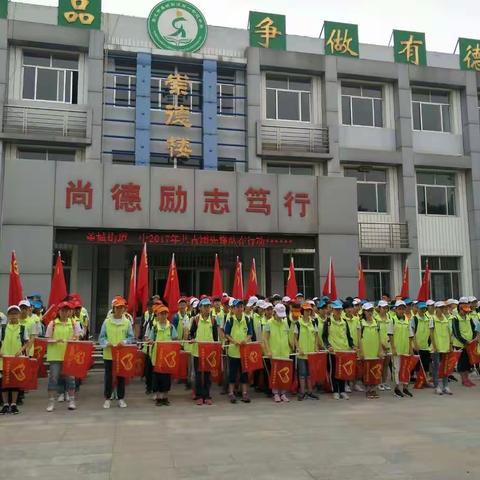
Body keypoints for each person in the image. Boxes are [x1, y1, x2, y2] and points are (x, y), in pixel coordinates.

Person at [45, 301, 82, 412]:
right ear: (59, 312)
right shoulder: (53, 323)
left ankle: (71, 400)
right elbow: (47, 339)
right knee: (53, 379)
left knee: (70, 379)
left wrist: (75, 338)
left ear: (70, 312)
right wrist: (56, 340)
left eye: (67, 310)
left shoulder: (74, 323)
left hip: (69, 355)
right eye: (63, 310)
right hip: (55, 356)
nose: (65, 313)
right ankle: (51, 402)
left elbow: (79, 336)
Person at [99, 296, 134, 409]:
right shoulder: (107, 322)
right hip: (109, 354)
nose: (119, 309)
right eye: (117, 307)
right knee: (108, 377)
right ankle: (107, 398)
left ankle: (121, 398)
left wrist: (124, 342)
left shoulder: (127, 322)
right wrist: (106, 343)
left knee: (121, 377)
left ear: (124, 309)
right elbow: (101, 337)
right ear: (113, 308)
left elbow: (131, 337)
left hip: (122, 354)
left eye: (121, 307)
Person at [0, 305, 31, 415]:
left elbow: (27, 342)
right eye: (11, 314)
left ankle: (13, 404)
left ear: (18, 315)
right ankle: (5, 404)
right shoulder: (2, 328)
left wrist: (21, 350)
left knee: (14, 382)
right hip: (4, 360)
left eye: (15, 314)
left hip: (17, 360)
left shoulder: (22, 328)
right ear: (8, 315)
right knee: (4, 382)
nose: (13, 316)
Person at [189, 298, 219, 405]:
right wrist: (191, 338)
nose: (207, 308)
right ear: (200, 308)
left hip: (209, 353)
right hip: (197, 351)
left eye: (208, 306)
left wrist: (216, 349)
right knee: (198, 375)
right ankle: (199, 395)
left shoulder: (213, 320)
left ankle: (207, 395)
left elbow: (216, 337)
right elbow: (191, 334)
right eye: (205, 306)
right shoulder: (196, 319)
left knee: (207, 374)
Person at [322, 300, 354, 400]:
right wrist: (328, 346)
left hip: (344, 351)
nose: (338, 311)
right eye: (336, 310)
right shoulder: (328, 322)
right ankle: (335, 391)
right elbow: (324, 336)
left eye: (340, 309)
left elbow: (348, 336)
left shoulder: (344, 322)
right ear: (332, 310)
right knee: (334, 372)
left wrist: (352, 346)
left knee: (343, 372)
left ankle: (342, 390)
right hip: (334, 351)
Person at [224, 300, 253, 403]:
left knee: (244, 373)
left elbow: (250, 333)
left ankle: (244, 393)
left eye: (241, 306)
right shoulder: (230, 320)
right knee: (232, 373)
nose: (240, 309)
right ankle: (231, 393)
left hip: (244, 351)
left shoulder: (248, 319)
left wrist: (246, 340)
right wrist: (234, 341)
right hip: (233, 351)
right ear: (233, 308)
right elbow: (226, 334)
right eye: (237, 307)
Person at [263, 303, 293, 402]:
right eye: (278, 315)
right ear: (274, 312)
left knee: (284, 373)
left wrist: (291, 346)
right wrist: (268, 351)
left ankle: (283, 393)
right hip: (274, 352)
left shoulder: (285, 323)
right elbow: (265, 339)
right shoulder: (268, 323)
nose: (280, 317)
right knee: (275, 373)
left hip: (284, 352)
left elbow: (288, 336)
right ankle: (275, 393)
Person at [148, 304, 178, 406]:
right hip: (157, 356)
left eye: (165, 313)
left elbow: (175, 339)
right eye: (161, 314)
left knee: (166, 377)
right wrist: (150, 341)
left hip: (168, 357)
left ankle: (165, 397)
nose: (163, 316)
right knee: (157, 378)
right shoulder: (155, 327)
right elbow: (150, 339)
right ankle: (158, 398)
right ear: (158, 315)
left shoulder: (171, 327)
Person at [388, 300, 414, 398]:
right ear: (396, 310)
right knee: (397, 369)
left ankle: (405, 388)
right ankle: (397, 388)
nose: (401, 311)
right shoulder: (392, 320)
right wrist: (393, 348)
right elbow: (390, 335)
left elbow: (410, 335)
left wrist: (411, 348)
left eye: (403, 309)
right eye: (399, 309)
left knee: (406, 368)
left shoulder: (407, 320)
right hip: (397, 349)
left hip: (406, 348)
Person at [294, 303, 320, 401]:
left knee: (309, 373)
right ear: (302, 311)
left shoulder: (313, 322)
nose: (307, 312)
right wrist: (298, 348)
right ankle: (302, 392)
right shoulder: (298, 323)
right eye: (305, 310)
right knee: (302, 372)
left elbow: (316, 336)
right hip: (302, 353)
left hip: (311, 353)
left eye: (309, 310)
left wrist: (316, 346)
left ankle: (310, 392)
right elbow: (295, 338)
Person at [358, 303, 383, 399]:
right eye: (368, 311)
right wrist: (361, 351)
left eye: (371, 310)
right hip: (366, 351)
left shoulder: (376, 322)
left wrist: (380, 350)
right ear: (364, 312)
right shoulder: (360, 323)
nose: (370, 313)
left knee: (375, 370)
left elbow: (379, 337)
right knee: (366, 371)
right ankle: (368, 390)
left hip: (375, 350)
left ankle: (373, 389)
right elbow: (359, 338)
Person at [452, 297, 478, 387]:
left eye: (467, 310)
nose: (466, 312)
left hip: (470, 344)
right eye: (464, 310)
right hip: (460, 344)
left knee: (468, 362)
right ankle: (464, 379)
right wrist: (465, 341)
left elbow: (474, 329)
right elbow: (456, 333)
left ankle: (467, 379)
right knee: (462, 363)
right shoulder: (455, 318)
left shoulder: (469, 317)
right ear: (460, 308)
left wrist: (473, 339)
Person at [431, 301, 453, 395]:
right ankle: (437, 386)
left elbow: (449, 332)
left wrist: (450, 345)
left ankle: (445, 386)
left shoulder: (446, 319)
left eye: (444, 308)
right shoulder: (432, 319)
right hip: (436, 347)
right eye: (441, 308)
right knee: (436, 367)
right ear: (436, 309)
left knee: (445, 367)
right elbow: (431, 333)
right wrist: (434, 345)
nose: (443, 309)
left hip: (446, 346)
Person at [411, 302, 434, 388]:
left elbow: (431, 332)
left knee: (426, 365)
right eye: (421, 308)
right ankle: (419, 381)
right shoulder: (414, 319)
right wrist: (415, 344)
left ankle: (426, 381)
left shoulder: (428, 318)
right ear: (417, 308)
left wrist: (431, 344)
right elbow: (412, 332)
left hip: (426, 346)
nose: (423, 310)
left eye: (424, 308)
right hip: (417, 346)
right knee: (418, 366)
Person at [374, 300, 392, 391]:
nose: (385, 309)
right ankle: (378, 382)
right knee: (379, 365)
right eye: (383, 308)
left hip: (388, 345)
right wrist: (381, 345)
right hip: (379, 345)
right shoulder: (376, 319)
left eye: (386, 308)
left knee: (386, 365)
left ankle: (384, 382)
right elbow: (376, 334)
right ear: (379, 308)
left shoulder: (389, 318)